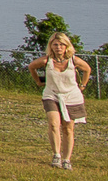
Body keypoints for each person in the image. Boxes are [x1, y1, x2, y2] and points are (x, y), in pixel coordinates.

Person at [28, 32, 93, 169]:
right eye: (55, 44)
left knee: (68, 128)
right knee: (53, 123)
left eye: (61, 45)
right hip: (51, 95)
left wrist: (83, 85)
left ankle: (66, 159)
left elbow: (87, 69)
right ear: (51, 46)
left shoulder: (73, 60)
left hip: (71, 96)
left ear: (66, 46)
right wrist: (39, 81)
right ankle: (56, 155)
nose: (58, 47)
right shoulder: (47, 61)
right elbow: (32, 67)